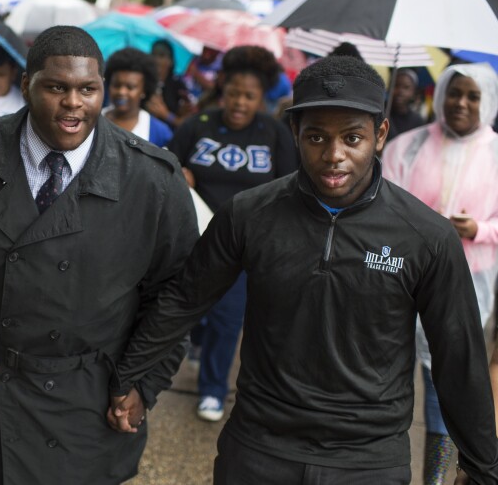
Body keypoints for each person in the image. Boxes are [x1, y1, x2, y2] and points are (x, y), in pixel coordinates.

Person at [109, 55, 498, 484]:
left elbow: (458, 357)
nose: (334, 155)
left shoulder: (427, 237)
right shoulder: (249, 215)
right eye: (316, 137)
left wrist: (481, 467)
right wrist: (134, 380)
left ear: (381, 134)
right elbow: (184, 300)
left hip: (368, 460)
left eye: (352, 138)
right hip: (258, 447)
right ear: (294, 132)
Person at [0, 25, 197, 484]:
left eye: (87, 89)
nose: (73, 103)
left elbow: (175, 297)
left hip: (87, 402)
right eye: (56, 87)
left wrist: (143, 383)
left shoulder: (153, 180)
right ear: (27, 86)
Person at [382, 62, 498, 485]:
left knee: (442, 384)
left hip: (466, 287)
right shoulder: (407, 146)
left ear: (487, 102)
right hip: (398, 279)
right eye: (454, 92)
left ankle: (434, 475)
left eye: (472, 96)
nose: (461, 103)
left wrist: (479, 229)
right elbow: (383, 203)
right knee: (384, 373)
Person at [167, 45, 296, 423]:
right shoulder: (198, 124)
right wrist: (180, 174)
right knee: (197, 313)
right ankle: (197, 341)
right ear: (223, 89)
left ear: (261, 98)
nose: (239, 102)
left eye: (249, 96)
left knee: (228, 320)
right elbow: (168, 164)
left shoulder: (274, 134)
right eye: (234, 93)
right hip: (194, 239)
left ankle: (212, 389)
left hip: (245, 245)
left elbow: (289, 185)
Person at [102, 47, 173, 147]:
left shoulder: (159, 132)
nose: (122, 92)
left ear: (144, 90)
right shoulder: (93, 120)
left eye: (130, 87)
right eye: (116, 85)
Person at [147, 38, 192, 130]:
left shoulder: (179, 86)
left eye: (161, 55)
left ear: (171, 61)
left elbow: (186, 123)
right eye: (153, 54)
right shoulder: (143, 83)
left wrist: (165, 115)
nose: (156, 60)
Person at [386, 68, 426, 141]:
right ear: (389, 87)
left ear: (413, 92)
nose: (400, 92)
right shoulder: (382, 113)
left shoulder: (417, 121)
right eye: (396, 85)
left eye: (406, 87)